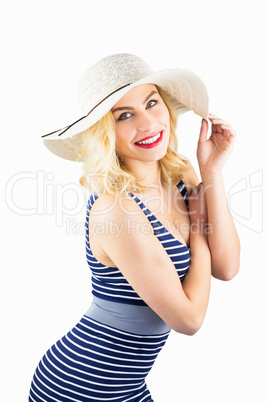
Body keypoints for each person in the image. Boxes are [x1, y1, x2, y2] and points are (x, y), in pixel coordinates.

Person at [28, 53, 240, 402]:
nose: (146, 124)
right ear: (104, 133)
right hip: (80, 384)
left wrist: (212, 173)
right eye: (124, 115)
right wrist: (200, 227)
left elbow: (227, 266)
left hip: (127, 384)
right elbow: (188, 319)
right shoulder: (117, 211)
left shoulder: (181, 173)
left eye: (151, 103)